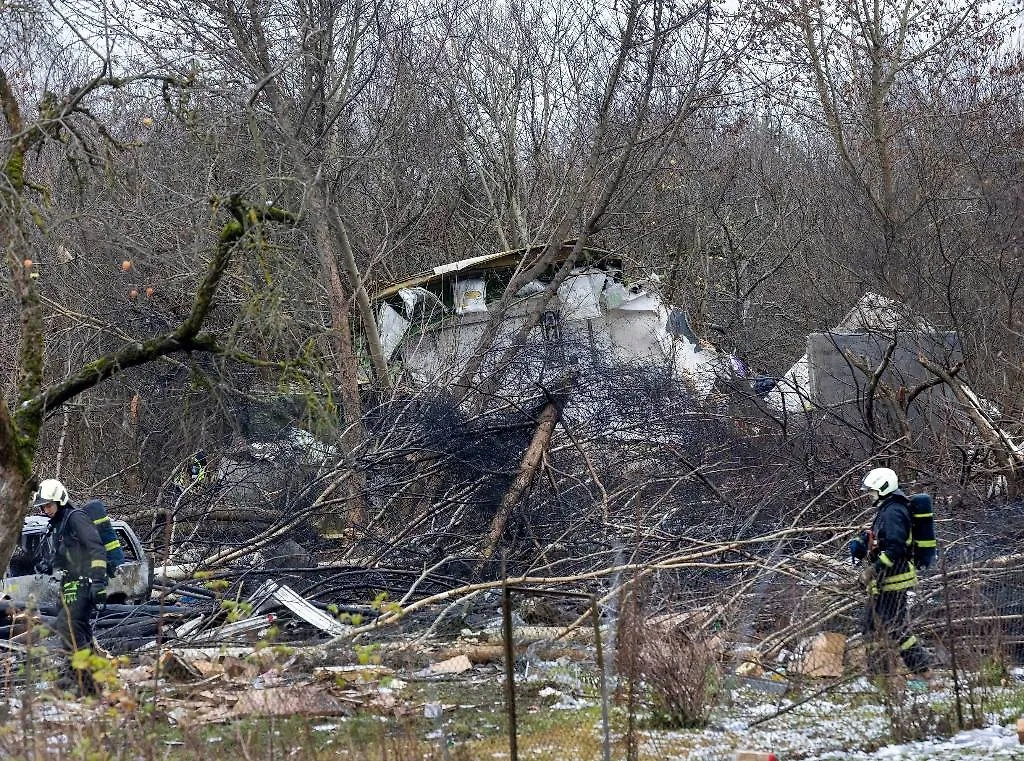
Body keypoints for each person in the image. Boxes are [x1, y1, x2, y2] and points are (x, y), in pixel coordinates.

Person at [849, 467, 930, 680]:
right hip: (885, 580)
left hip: (894, 579)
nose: (870, 495)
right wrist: (864, 542)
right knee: (870, 625)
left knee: (895, 627)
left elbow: (896, 547)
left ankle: (922, 670)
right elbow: (883, 540)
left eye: (872, 491)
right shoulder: (887, 509)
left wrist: (872, 570)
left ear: (883, 488)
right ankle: (879, 675)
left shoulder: (893, 511)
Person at [31, 478, 108, 695]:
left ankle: (85, 683)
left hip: (85, 583)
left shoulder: (76, 518)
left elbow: (97, 549)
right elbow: (67, 556)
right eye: (43, 507)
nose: (46, 511)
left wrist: (98, 582)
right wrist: (49, 564)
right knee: (77, 630)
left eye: (48, 505)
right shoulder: (58, 525)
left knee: (70, 628)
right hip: (69, 584)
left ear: (60, 500)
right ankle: (83, 678)